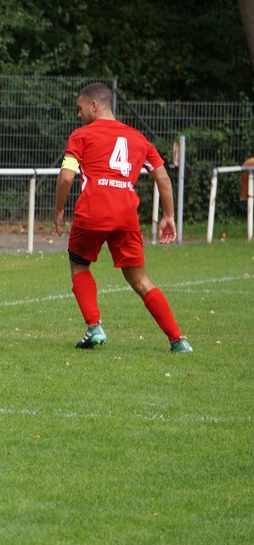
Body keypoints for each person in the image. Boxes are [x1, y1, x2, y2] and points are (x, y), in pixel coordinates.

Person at [54, 82, 193, 352]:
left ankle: (94, 327)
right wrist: (169, 216)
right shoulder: (138, 138)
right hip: (126, 215)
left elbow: (67, 176)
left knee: (79, 265)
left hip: (92, 212)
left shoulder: (81, 135)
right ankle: (178, 339)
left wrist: (59, 209)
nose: (78, 115)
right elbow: (162, 177)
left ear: (94, 106)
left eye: (80, 109)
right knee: (140, 280)